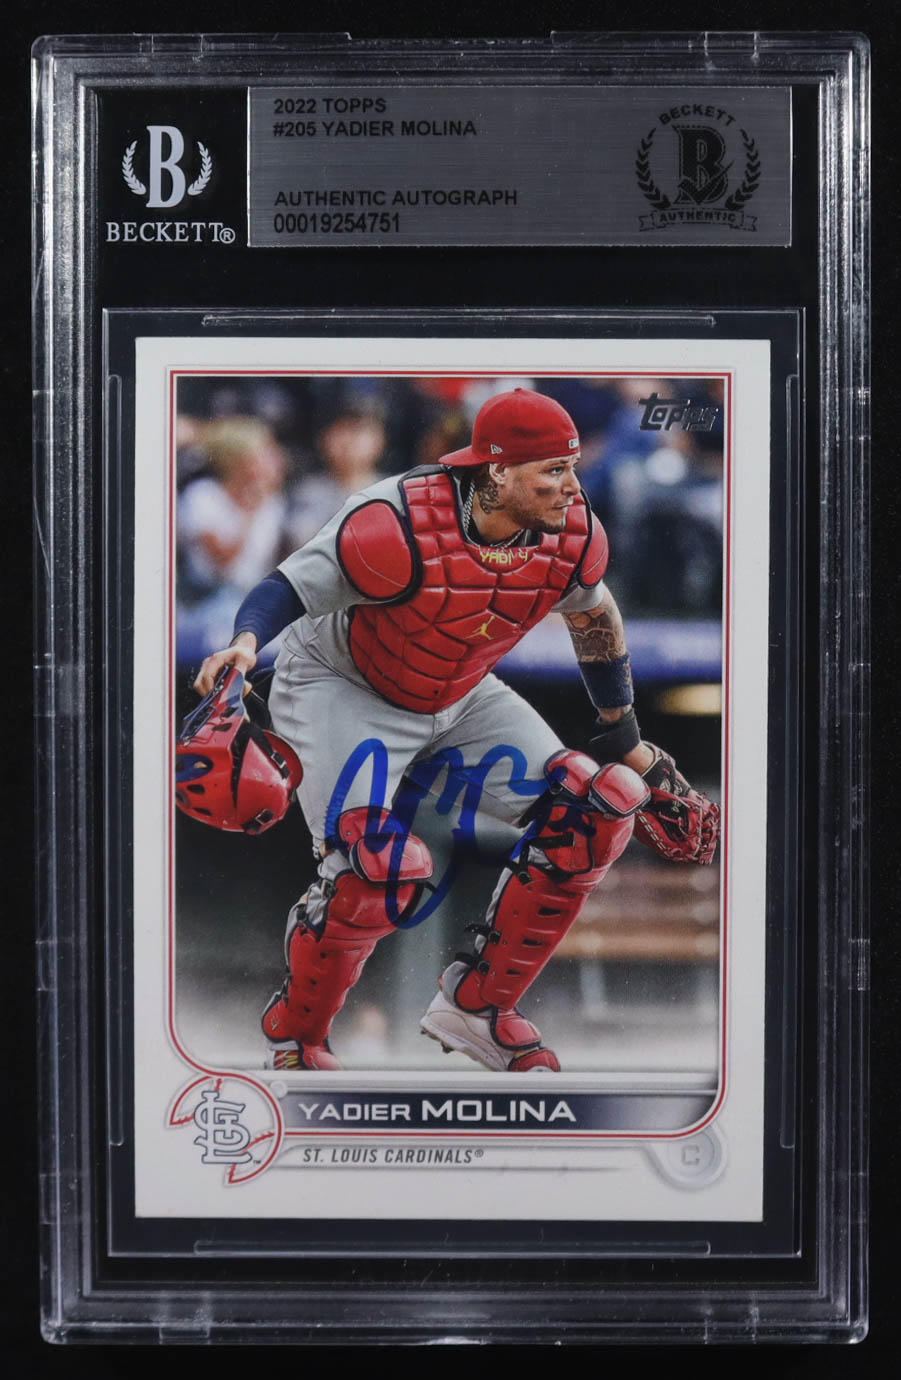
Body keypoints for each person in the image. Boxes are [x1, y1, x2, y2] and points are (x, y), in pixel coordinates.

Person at [190, 388, 719, 1073]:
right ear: (497, 470)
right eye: (552, 470)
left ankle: (478, 1007)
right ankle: (296, 1038)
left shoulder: (573, 532)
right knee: (379, 868)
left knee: (598, 804)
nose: (571, 485)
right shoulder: (394, 520)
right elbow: (285, 588)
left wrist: (627, 740)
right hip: (344, 682)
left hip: (459, 689)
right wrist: (243, 644)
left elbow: (595, 618)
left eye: (570, 467)